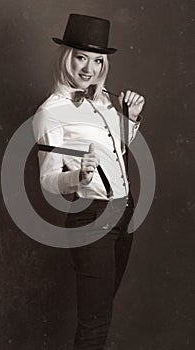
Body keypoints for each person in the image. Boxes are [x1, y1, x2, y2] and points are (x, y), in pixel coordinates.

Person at [32, 13, 145, 350]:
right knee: (94, 327)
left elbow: (116, 150)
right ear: (67, 56)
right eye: (81, 57)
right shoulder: (50, 113)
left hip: (124, 213)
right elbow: (48, 179)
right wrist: (78, 177)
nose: (89, 69)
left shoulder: (104, 100)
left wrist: (132, 119)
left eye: (97, 60)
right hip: (93, 218)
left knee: (103, 313)